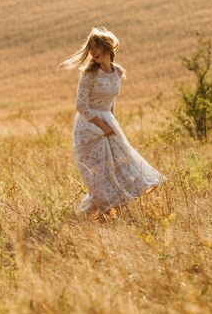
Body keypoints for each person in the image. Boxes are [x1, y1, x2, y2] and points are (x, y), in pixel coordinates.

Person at [60, 27, 166, 219]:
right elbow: (81, 106)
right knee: (99, 174)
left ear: (108, 48)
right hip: (88, 127)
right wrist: (103, 126)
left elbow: (111, 101)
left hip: (108, 122)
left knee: (121, 166)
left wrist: (113, 124)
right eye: (91, 47)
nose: (93, 51)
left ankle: (99, 215)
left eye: (97, 46)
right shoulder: (88, 74)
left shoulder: (117, 72)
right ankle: (101, 214)